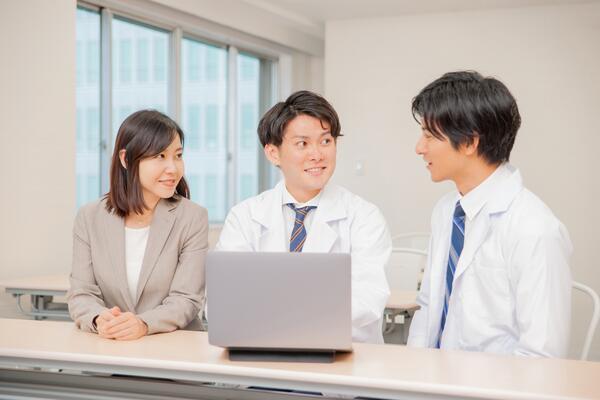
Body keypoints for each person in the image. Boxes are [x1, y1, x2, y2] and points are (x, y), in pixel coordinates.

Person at [407, 71, 572, 357]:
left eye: (429, 136)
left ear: (470, 143)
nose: (419, 148)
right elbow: (429, 306)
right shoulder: (447, 211)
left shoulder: (534, 228)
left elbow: (542, 355)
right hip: (430, 381)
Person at [216, 90, 391, 343]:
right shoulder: (245, 216)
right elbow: (224, 300)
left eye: (325, 141)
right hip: (262, 353)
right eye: (302, 144)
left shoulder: (364, 217)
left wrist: (275, 311)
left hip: (344, 359)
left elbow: (368, 300)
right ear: (273, 153)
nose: (317, 154)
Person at [68, 110, 208, 340]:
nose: (173, 168)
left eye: (178, 155)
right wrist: (98, 318)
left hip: (174, 350)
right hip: (110, 348)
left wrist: (143, 324)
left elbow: (187, 299)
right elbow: (81, 293)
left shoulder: (193, 217)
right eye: (160, 156)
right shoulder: (89, 217)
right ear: (126, 159)